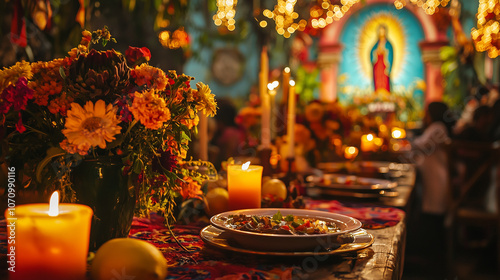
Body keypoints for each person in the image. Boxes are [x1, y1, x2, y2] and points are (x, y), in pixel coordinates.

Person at [370, 24, 393, 93]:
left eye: (383, 31)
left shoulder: (388, 44)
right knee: (378, 80)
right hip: (377, 66)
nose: (381, 33)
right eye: (380, 31)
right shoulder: (376, 44)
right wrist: (376, 53)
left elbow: (391, 56)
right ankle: (377, 93)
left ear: (385, 32)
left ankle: (385, 94)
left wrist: (385, 52)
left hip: (384, 66)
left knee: (384, 80)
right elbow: (371, 54)